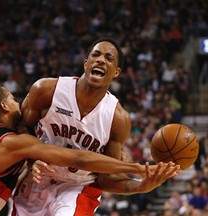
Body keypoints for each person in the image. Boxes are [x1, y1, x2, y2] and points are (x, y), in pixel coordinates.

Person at [0, 85, 179, 216]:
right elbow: (77, 156)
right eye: (13, 98)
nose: (18, 102)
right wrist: (136, 167)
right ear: (4, 105)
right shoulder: (11, 142)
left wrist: (31, 162)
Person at [12, 37, 182, 216]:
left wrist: (141, 186)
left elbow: (108, 179)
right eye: (96, 55)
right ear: (86, 64)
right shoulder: (46, 90)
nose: (101, 60)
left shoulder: (117, 118)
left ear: (116, 72)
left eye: (109, 58)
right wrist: (31, 160)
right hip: (38, 179)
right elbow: (22, 126)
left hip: (78, 187)